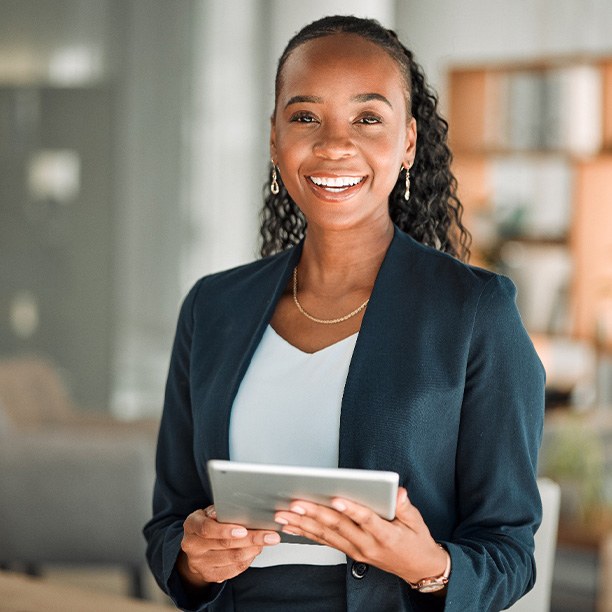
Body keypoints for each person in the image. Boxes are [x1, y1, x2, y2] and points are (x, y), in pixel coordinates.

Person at [144, 15, 545, 612]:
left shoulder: (475, 312)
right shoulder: (214, 307)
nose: (334, 145)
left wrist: (428, 567)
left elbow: (508, 553)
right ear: (274, 139)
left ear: (407, 142)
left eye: (367, 118)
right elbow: (169, 522)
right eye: (305, 117)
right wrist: (193, 557)